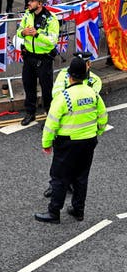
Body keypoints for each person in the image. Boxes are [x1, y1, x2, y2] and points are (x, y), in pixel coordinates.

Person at [34, 57, 108, 224]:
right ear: (86, 75)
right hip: (89, 141)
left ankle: (54, 212)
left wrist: (46, 143)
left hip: (67, 143)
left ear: (69, 76)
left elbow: (51, 123)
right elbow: (103, 117)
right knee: (81, 178)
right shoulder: (93, 94)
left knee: (60, 178)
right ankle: (78, 210)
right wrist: (98, 131)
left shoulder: (64, 97)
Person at [43, 51, 102, 198]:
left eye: (87, 63)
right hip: (65, 127)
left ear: (89, 64)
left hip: (82, 130)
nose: (86, 65)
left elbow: (95, 106)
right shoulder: (63, 74)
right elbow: (56, 93)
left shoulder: (95, 80)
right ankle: (55, 186)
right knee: (59, 166)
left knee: (75, 168)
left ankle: (58, 204)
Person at [17, 0, 58, 126]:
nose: (29, 3)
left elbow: (52, 41)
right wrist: (23, 33)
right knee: (28, 86)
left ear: (40, 3)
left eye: (32, 0)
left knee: (46, 89)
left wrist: (37, 34)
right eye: (29, 0)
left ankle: (49, 116)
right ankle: (30, 113)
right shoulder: (27, 15)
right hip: (28, 57)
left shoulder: (51, 20)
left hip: (43, 60)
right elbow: (19, 31)